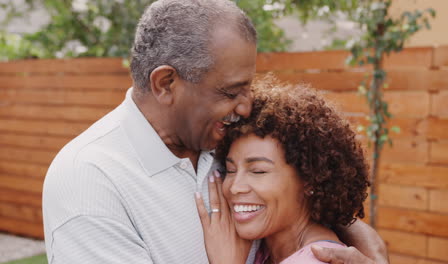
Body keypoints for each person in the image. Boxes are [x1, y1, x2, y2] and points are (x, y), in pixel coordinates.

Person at [42, 0, 387, 263]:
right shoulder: (90, 181)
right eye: (229, 91)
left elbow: (305, 182)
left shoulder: (224, 136)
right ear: (166, 84)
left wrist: (358, 236)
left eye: (247, 88)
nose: (246, 107)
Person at [196, 77, 371, 264]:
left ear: (310, 180)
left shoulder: (318, 259)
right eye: (230, 170)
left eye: (258, 171)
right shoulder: (267, 249)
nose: (234, 187)